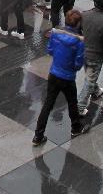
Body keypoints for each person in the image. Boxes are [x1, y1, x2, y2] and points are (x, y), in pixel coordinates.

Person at [32, 10, 87, 146]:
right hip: (68, 77)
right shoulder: (79, 42)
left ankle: (38, 136)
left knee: (47, 105)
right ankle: (76, 128)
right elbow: (78, 63)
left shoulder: (56, 34)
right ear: (78, 24)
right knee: (72, 102)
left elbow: (50, 50)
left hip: (54, 74)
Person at [77, 0, 103, 116]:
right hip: (96, 55)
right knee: (89, 80)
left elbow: (77, 30)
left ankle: (96, 91)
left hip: (83, 52)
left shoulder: (84, 15)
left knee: (89, 74)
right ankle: (80, 107)